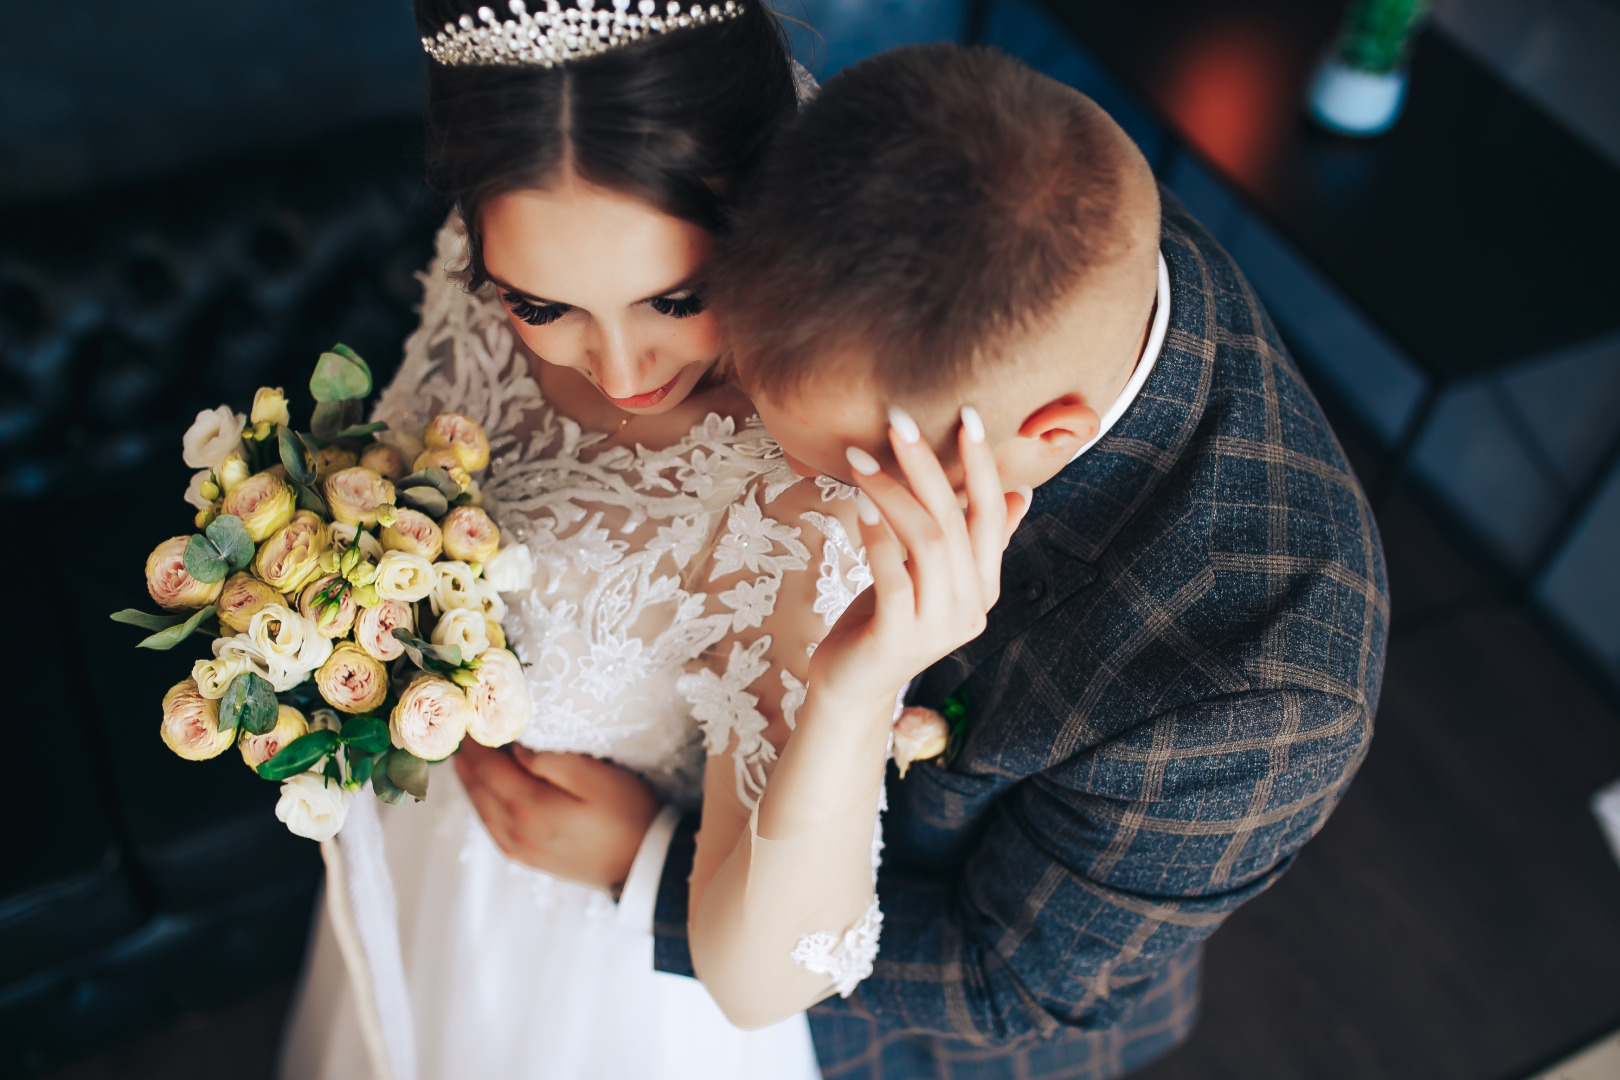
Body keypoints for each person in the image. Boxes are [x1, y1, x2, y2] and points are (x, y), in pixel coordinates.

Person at [463, 44, 1388, 1080]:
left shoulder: (1259, 697)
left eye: (849, 469)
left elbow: (1005, 982)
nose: (794, 486)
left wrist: (648, 868)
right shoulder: (982, 171)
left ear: (1042, 435)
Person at [280, 3, 1026, 1077]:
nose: (621, 369)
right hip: (441, 853)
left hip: (595, 971)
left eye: (679, 296)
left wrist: (655, 857)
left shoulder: (813, 476)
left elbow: (768, 978)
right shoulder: (520, 215)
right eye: (539, 305)